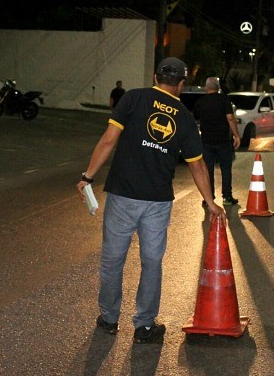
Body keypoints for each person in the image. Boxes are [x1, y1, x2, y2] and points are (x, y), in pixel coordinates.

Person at [76, 57, 225, 344]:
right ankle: (144, 326)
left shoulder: (132, 98)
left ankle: (109, 319)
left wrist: (88, 176)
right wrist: (210, 202)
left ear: (156, 76)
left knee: (112, 260)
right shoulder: (183, 116)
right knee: (151, 262)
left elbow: (109, 140)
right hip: (157, 202)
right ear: (181, 84)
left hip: (122, 196)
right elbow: (197, 165)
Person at [193, 76, 241, 206]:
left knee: (207, 170)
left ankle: (209, 198)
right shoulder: (224, 100)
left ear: (206, 88)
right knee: (226, 169)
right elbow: (230, 118)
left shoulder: (200, 102)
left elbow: (196, 119)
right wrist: (236, 135)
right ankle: (227, 197)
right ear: (218, 88)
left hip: (206, 141)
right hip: (223, 141)